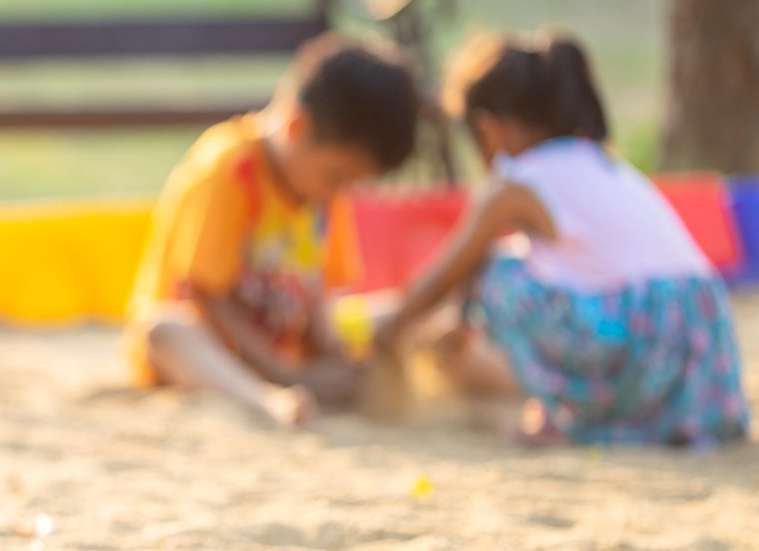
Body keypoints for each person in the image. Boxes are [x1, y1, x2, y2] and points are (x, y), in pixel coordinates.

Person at [374, 30, 749, 449]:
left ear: (488, 129)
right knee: (510, 263)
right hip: (701, 344)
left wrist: (386, 331)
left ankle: (562, 416)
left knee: (493, 271)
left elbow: (446, 274)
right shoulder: (603, 162)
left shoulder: (514, 184)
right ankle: (634, 421)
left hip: (642, 340)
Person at [126, 34, 421, 426]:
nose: (340, 192)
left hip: (284, 346)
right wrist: (286, 375)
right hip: (210, 348)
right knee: (164, 329)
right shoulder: (231, 168)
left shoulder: (322, 191)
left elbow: (320, 294)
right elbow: (204, 296)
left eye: (352, 182)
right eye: (336, 176)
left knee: (403, 312)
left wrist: (336, 356)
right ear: (296, 126)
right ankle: (264, 401)